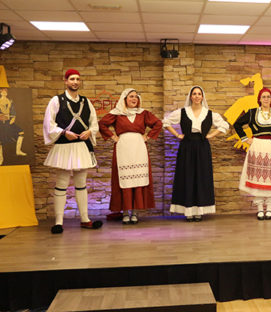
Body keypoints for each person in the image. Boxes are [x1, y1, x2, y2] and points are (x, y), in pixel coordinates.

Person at [43, 69, 102, 234]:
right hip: (63, 146)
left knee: (81, 184)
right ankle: (59, 222)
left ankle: (85, 219)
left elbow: (94, 123)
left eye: (77, 79)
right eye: (72, 79)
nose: (75, 82)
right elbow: (49, 123)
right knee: (61, 184)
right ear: (66, 81)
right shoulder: (56, 100)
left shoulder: (86, 101)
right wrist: (63, 132)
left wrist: (90, 131)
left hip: (81, 146)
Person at [163, 86, 229, 222]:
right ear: (191, 96)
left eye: (199, 94)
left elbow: (224, 125)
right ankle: (188, 211)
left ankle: (199, 211)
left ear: (202, 97)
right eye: (194, 94)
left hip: (202, 146)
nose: (197, 96)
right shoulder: (182, 112)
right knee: (187, 176)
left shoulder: (209, 114)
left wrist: (211, 135)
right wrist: (177, 135)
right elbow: (165, 122)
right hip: (186, 146)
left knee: (201, 176)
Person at [98, 88, 162, 224]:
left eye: (136, 97)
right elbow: (102, 124)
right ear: (124, 99)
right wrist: (113, 137)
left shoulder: (143, 113)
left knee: (138, 179)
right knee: (124, 179)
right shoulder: (117, 113)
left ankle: (135, 212)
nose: (134, 99)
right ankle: (126, 212)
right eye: (131, 96)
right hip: (123, 148)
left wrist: (148, 136)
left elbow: (158, 123)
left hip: (139, 148)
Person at [233, 87, 271, 220]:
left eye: (268, 97)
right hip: (256, 147)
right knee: (258, 178)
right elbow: (237, 124)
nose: (266, 99)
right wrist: (245, 139)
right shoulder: (252, 113)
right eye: (264, 97)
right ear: (259, 99)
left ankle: (269, 209)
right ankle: (260, 209)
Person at [0, 87, 27, 165]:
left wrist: (13, 118)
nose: (4, 92)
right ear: (0, 92)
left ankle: (18, 151)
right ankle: (0, 158)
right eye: (3, 91)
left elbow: (13, 112)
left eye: (5, 91)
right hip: (1, 124)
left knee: (21, 132)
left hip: (9, 122)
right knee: (0, 140)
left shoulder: (10, 101)